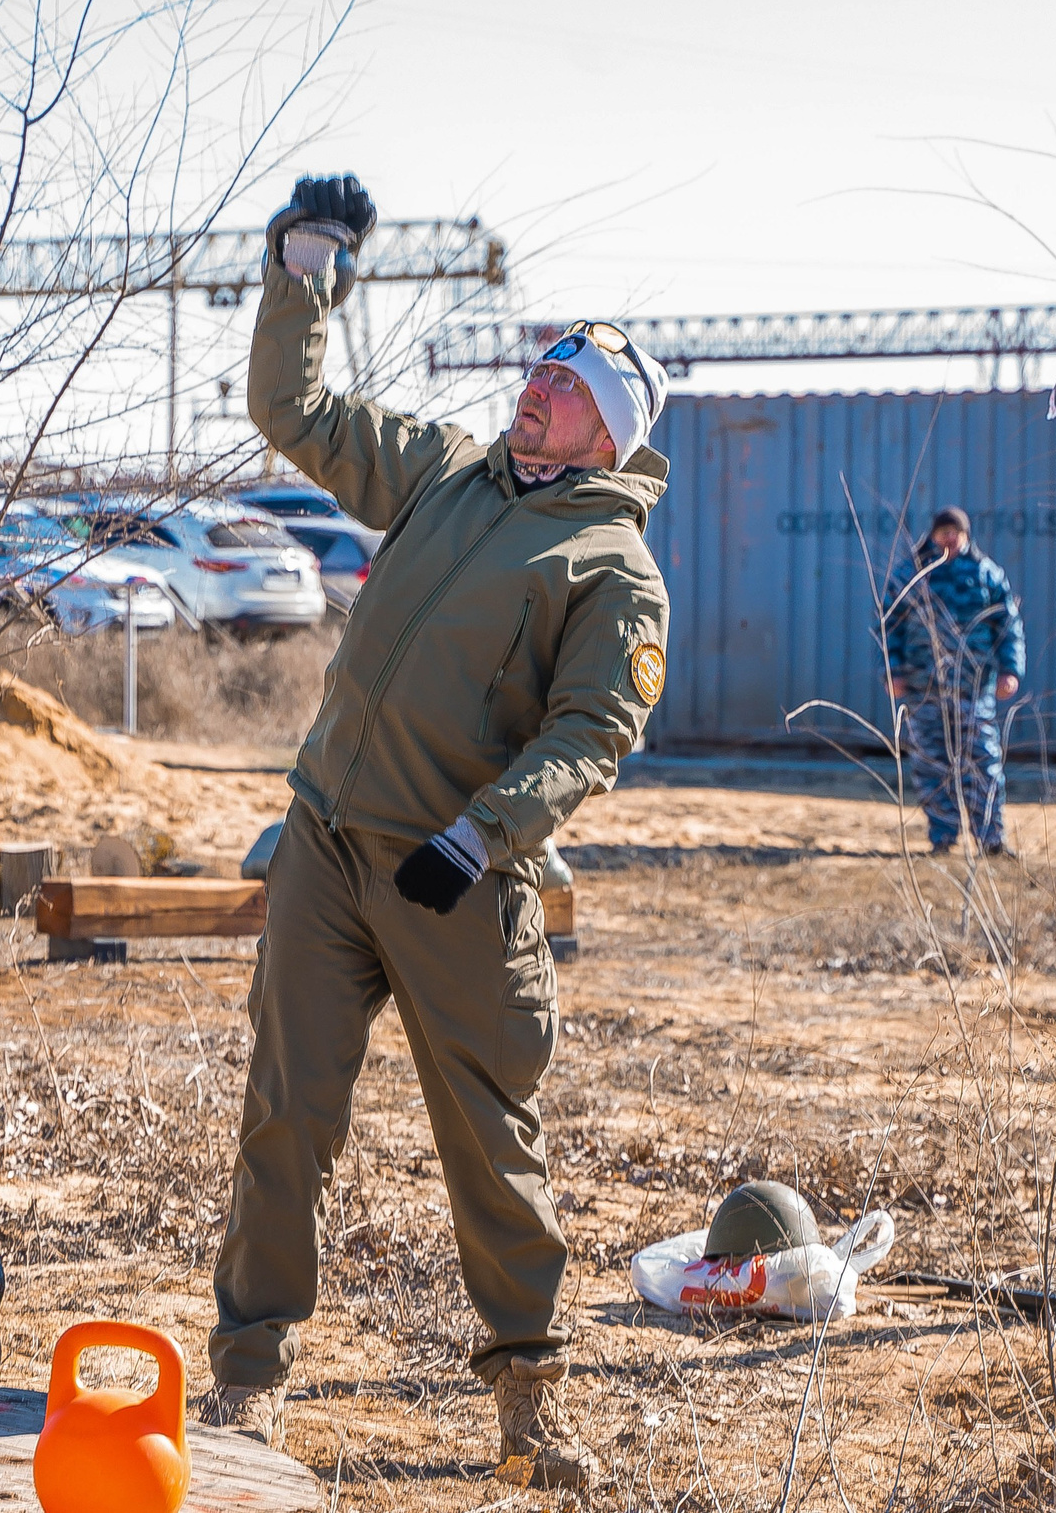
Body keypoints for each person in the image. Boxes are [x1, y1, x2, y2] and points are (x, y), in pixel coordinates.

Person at [200, 175, 670, 1492]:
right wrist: (305, 275)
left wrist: (485, 833)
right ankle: (247, 1376)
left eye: (572, 385)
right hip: (330, 846)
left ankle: (530, 1401)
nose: (541, 384)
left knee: (492, 1144)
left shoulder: (612, 570)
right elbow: (294, 411)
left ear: (610, 437)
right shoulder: (446, 473)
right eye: (543, 364)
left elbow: (592, 733)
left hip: (459, 881)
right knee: (286, 1111)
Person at [882, 505, 1025, 855]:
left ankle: (991, 840)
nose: (949, 539)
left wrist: (1011, 671)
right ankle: (942, 839)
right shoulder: (911, 574)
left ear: (966, 535)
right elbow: (889, 626)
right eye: (943, 532)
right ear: (932, 535)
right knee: (932, 765)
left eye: (955, 532)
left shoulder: (987, 574)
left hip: (974, 690)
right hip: (924, 689)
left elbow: (1009, 627)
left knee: (983, 764)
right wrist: (893, 671)